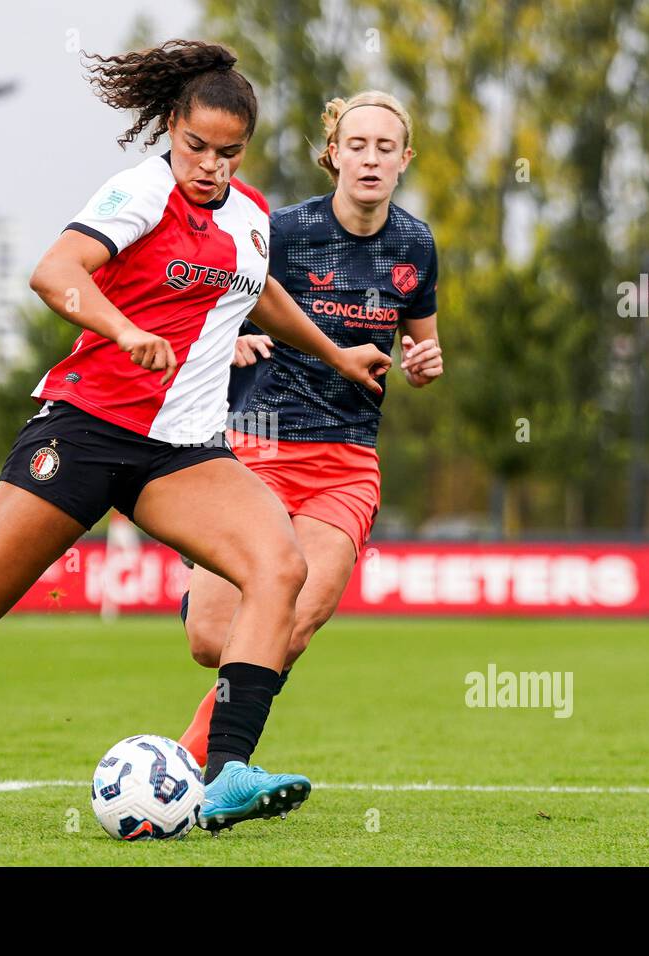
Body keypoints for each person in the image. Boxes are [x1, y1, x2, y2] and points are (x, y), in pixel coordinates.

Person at [0, 41, 391, 833]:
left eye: (227, 153)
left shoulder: (251, 216)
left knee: (277, 567)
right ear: (170, 130)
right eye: (196, 148)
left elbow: (266, 297)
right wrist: (121, 328)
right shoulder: (141, 191)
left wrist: (335, 350)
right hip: (85, 430)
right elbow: (55, 270)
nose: (210, 166)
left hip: (180, 452)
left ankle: (227, 775)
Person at [178, 91, 443, 766]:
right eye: (357, 145)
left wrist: (425, 360)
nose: (371, 158)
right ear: (334, 155)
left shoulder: (416, 244)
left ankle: (198, 768)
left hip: (347, 461)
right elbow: (215, 301)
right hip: (258, 448)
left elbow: (423, 348)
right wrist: (230, 338)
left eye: (386, 147)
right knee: (212, 640)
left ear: (404, 160)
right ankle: (205, 751)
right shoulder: (284, 230)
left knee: (289, 629)